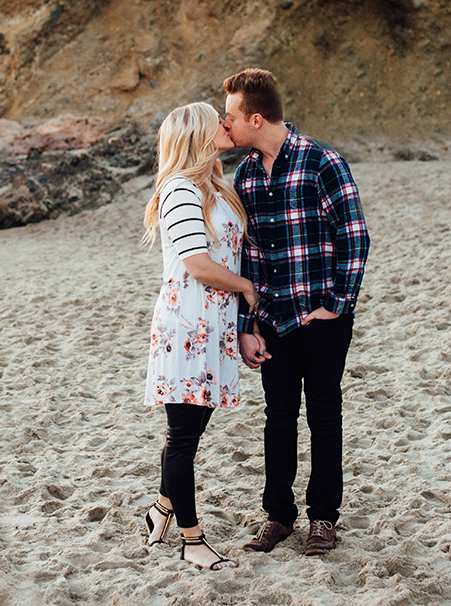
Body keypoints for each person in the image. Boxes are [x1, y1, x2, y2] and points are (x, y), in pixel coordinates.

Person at [222, 69, 370, 556]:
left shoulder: (321, 162)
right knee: (278, 416)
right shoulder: (244, 174)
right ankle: (279, 517)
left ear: (256, 118)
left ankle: (324, 519)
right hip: (275, 322)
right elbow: (249, 258)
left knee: (324, 415)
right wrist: (249, 326)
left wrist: (338, 304)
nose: (226, 126)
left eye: (231, 117)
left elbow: (355, 236)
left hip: (322, 318)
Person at [142, 102, 259, 570]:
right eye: (218, 120)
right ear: (198, 135)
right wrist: (247, 288)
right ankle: (192, 540)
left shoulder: (215, 187)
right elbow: (198, 264)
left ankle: (162, 510)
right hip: (187, 325)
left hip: (213, 326)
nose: (226, 124)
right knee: (184, 437)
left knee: (188, 432)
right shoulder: (179, 189)